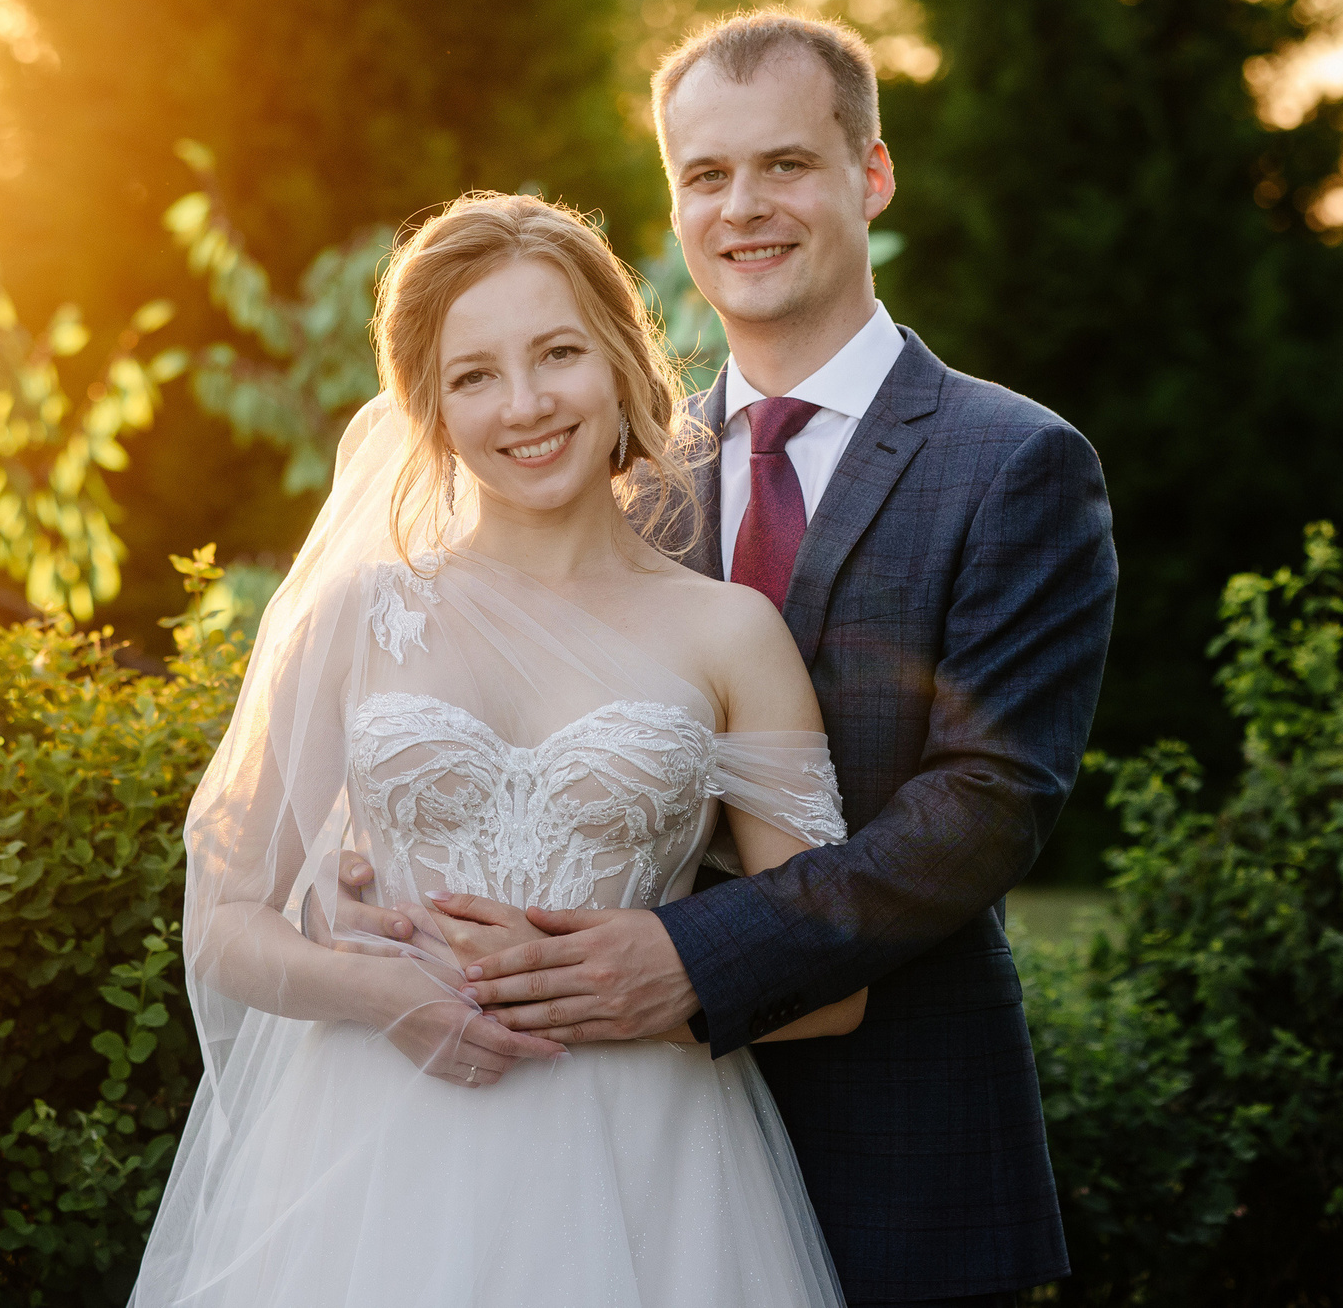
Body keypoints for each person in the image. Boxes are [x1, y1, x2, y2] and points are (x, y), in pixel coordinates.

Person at [446, 13, 1119, 1306]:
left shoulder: (1014, 463)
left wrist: (693, 954)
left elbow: (987, 804)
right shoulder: (626, 482)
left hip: (900, 1147)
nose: (742, 207)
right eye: (706, 175)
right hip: (624, 1147)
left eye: (785, 165)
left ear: (872, 174)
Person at [130, 191, 865, 1307]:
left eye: (558, 353)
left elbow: (832, 980)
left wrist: (647, 987)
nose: (525, 405)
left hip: (649, 1167)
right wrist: (377, 994)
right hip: (367, 1169)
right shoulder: (357, 616)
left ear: (621, 359)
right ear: (428, 407)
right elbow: (226, 922)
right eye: (473, 375)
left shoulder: (731, 635)